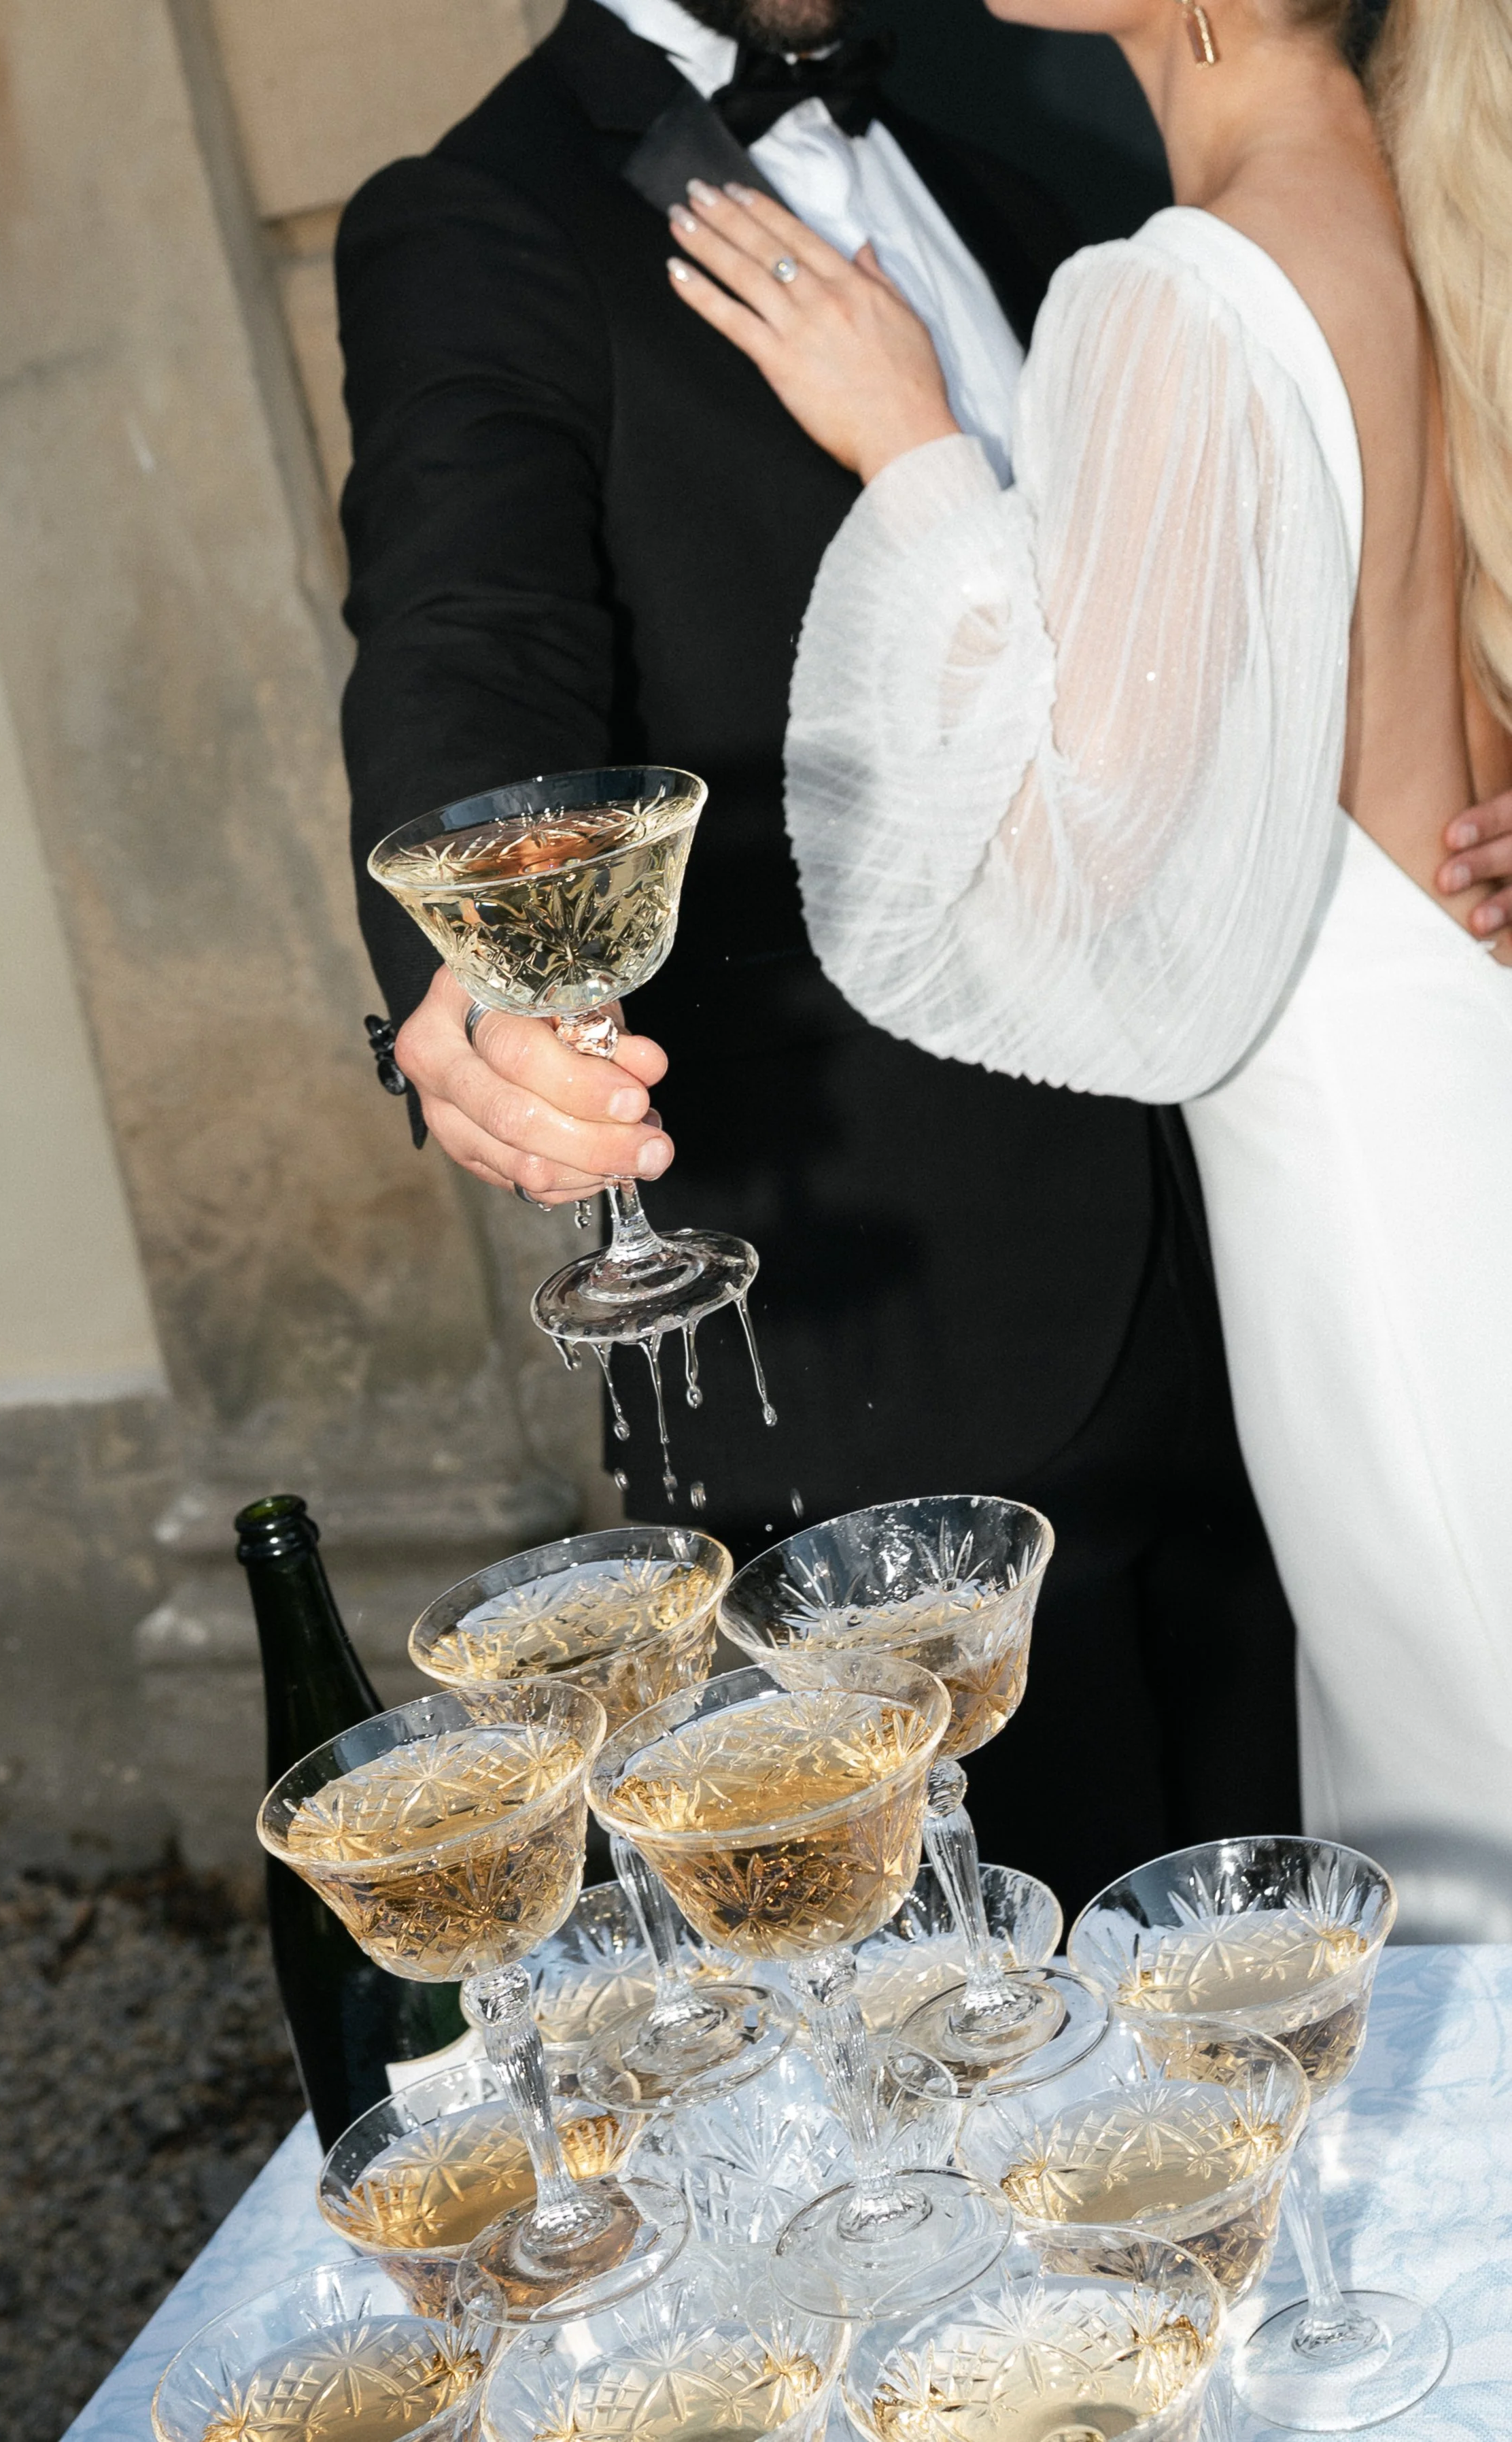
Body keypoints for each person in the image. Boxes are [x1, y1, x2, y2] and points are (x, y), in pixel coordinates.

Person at [338, 0, 1309, 1921]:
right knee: (1002, 2003)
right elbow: (464, 641)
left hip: (1242, 1233)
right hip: (885, 1331)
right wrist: (468, 993)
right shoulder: (481, 216)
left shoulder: (1018, 179)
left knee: (1308, 1898)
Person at [662, 0, 1512, 1932]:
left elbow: (1085, 888)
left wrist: (912, 456)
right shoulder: (1397, 188)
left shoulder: (1182, 283)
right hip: (1452, 1096)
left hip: (1369, 1198)